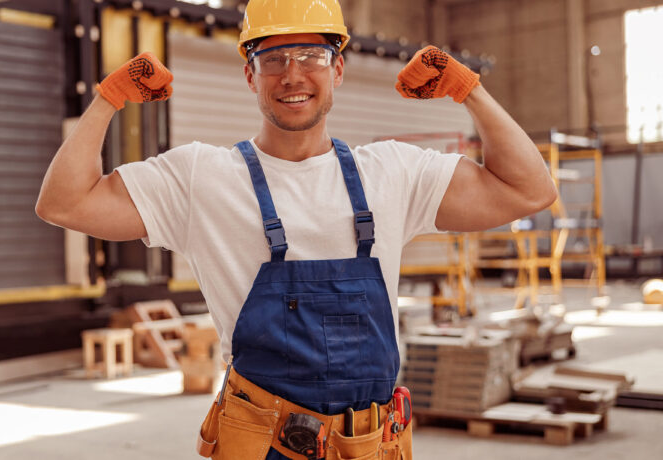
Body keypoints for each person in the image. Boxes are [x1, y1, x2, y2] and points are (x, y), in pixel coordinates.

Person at [36, 1, 557, 458]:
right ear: (249, 74)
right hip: (262, 446)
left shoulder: (395, 173)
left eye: (312, 56)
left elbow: (528, 191)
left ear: (339, 69)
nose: (293, 75)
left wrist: (470, 92)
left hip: (372, 447)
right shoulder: (200, 177)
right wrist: (108, 97)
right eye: (273, 60)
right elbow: (65, 203)